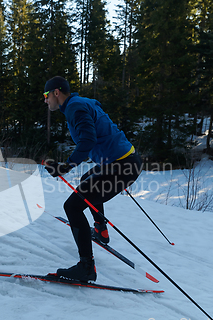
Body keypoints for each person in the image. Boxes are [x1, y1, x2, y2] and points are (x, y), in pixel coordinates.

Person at [43, 76, 142, 282]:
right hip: (125, 161)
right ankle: (101, 230)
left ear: (56, 92)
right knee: (88, 180)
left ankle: (86, 267)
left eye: (46, 95)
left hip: (121, 166)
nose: (45, 101)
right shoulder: (83, 103)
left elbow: (88, 140)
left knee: (72, 206)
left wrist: (65, 166)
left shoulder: (75, 108)